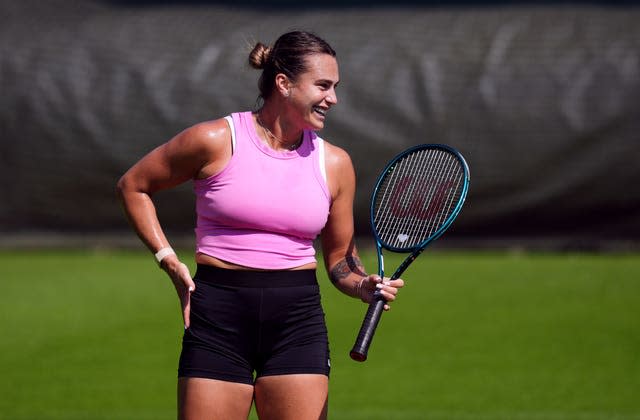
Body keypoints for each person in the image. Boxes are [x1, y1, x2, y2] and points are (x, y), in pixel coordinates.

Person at [117, 30, 404, 420]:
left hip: (296, 323)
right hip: (217, 317)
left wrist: (363, 285)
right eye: (323, 85)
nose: (333, 98)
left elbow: (340, 260)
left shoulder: (335, 163)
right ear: (284, 84)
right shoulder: (216, 139)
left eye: (336, 87)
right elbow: (134, 186)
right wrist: (167, 258)